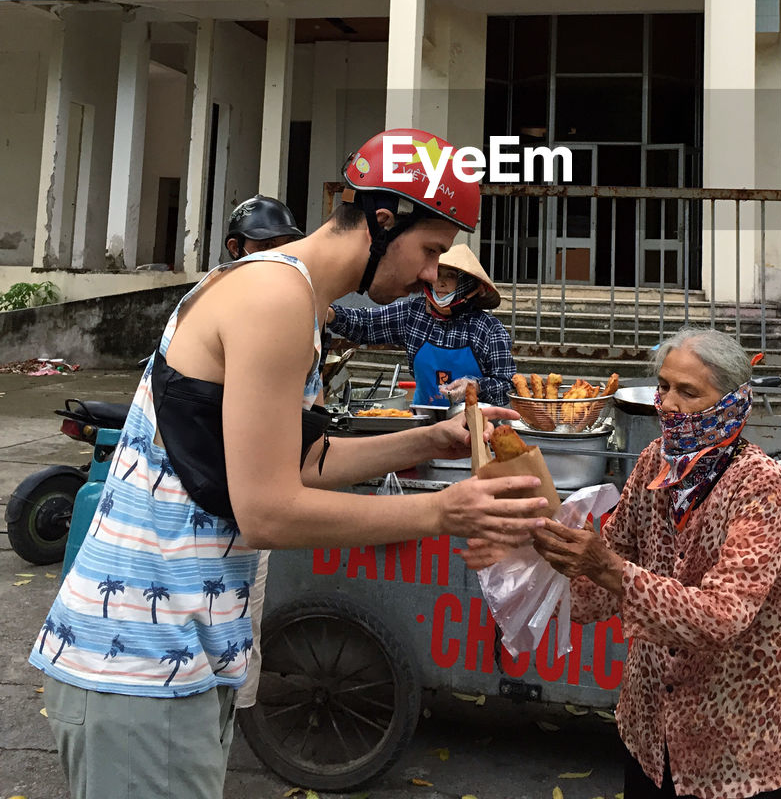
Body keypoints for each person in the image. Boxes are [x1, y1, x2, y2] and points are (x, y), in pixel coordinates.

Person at [32, 128, 547, 799]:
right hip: (139, 657)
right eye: (430, 251)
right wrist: (442, 511)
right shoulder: (275, 299)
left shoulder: (296, 301)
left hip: (180, 656)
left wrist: (431, 440)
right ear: (382, 220)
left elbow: (303, 462)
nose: (431, 275)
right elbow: (267, 509)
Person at [531, 327, 781, 799]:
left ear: (732, 401)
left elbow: (723, 616)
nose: (668, 403)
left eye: (688, 392)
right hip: (650, 737)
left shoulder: (759, 485)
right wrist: (544, 558)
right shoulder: (656, 460)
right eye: (664, 387)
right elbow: (603, 581)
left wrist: (609, 570)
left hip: (738, 748)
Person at [221, 193, 308, 716]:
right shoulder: (218, 304)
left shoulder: (289, 310)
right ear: (236, 248)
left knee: (244, 620)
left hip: (245, 523)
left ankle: (236, 712)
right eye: (265, 247)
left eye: (285, 247)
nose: (277, 257)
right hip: (209, 513)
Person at [327, 242, 516, 406]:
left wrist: (476, 386)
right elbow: (365, 324)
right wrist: (331, 314)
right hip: (424, 423)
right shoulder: (413, 314)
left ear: (467, 285)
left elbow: (507, 385)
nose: (440, 283)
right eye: (436, 274)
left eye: (450, 276)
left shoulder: (489, 329)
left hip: (473, 429)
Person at [223, 193, 303, 261]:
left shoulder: (297, 279)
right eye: (267, 245)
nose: (281, 255)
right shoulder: (219, 279)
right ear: (235, 248)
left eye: (288, 245)